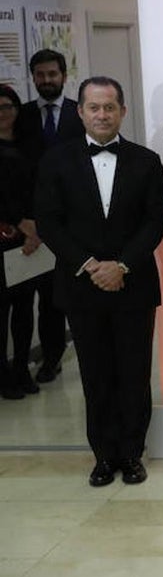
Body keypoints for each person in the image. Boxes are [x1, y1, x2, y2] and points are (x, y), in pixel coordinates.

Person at [34, 76, 163, 486]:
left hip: (134, 284)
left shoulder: (146, 161)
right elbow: (49, 222)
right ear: (81, 112)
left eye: (110, 107)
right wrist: (92, 265)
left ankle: (132, 454)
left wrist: (121, 266)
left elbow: (154, 221)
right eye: (94, 107)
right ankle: (103, 456)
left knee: (133, 372)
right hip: (81, 285)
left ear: (122, 111)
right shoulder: (56, 161)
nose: (102, 114)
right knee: (95, 375)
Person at [14, 49, 82, 384]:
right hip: (30, 225)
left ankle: (58, 356)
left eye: (52, 74)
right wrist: (31, 223)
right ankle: (44, 361)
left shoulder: (79, 113)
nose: (46, 81)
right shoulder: (21, 116)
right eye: (40, 75)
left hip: (72, 225)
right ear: (33, 77)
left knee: (62, 297)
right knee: (31, 299)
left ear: (64, 75)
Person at [0, 84, 39, 399]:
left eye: (9, 106)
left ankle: (22, 369)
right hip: (4, 235)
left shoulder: (28, 144)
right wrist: (17, 222)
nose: (4, 113)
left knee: (25, 309)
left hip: (29, 239)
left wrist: (34, 228)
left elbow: (38, 187)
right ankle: (3, 376)